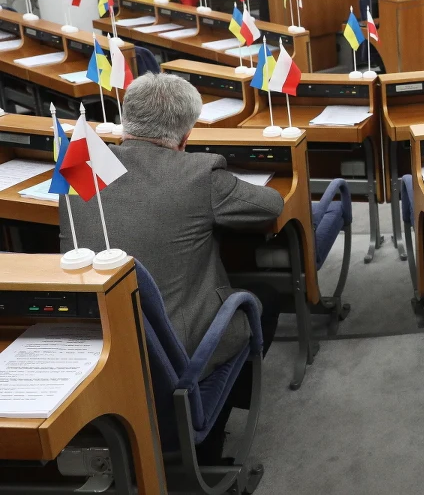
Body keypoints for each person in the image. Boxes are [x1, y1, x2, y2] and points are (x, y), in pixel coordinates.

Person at [59, 73, 285, 462]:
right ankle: (206, 433)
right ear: (186, 135)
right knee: (263, 298)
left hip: (92, 340)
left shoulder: (78, 165)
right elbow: (271, 205)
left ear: (125, 119)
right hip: (170, 351)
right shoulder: (199, 173)